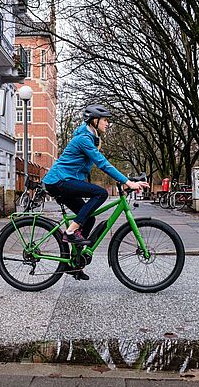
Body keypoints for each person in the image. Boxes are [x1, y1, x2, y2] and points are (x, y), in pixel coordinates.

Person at [42, 104, 149, 280]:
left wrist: (127, 181)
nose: (108, 124)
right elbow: (102, 163)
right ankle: (70, 232)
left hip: (67, 181)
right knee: (100, 193)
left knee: (89, 218)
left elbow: (99, 164)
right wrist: (126, 181)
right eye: (106, 120)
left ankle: (74, 263)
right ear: (95, 120)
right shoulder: (84, 139)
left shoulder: (91, 138)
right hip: (58, 181)